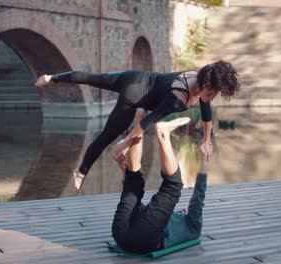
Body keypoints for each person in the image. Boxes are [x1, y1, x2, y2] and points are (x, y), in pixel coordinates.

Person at [34, 60, 239, 191]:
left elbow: (206, 112)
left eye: (215, 94)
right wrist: (125, 143)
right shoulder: (179, 97)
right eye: (211, 93)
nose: (212, 97)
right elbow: (148, 122)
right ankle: (81, 171)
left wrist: (206, 140)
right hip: (133, 96)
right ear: (204, 84)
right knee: (108, 136)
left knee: (95, 78)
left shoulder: (201, 77)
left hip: (135, 76)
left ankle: (51, 78)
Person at [111, 116, 209, 254]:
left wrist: (205, 159)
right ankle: (139, 126)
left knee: (173, 186)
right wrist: (123, 168)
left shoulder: (194, 227)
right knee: (134, 185)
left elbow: (198, 197)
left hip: (142, 237)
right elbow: (136, 208)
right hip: (120, 235)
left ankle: (160, 133)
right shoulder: (183, 225)